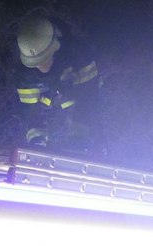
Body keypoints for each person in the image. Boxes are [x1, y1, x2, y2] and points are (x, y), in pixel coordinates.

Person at [14, 14, 102, 153]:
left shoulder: (80, 59)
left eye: (44, 59)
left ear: (56, 48)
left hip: (91, 120)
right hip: (57, 116)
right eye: (35, 63)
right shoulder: (25, 75)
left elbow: (89, 101)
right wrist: (37, 144)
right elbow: (32, 112)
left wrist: (78, 140)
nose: (40, 66)